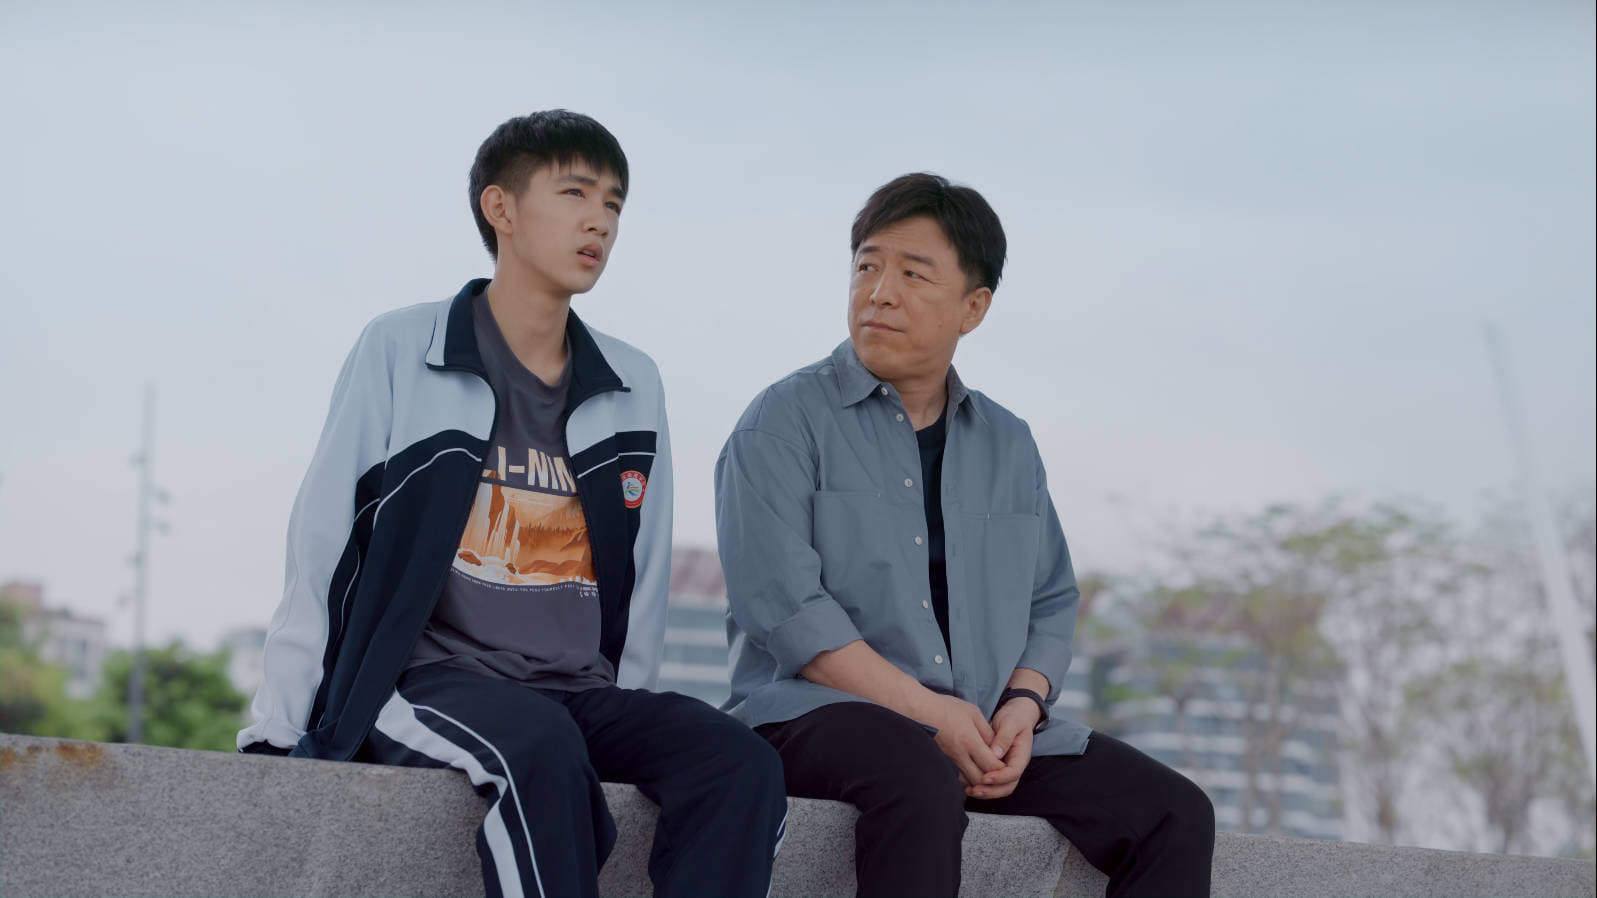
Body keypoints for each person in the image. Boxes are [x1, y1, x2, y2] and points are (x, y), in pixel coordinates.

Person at [239, 110, 786, 898]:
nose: (600, 220)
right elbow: (325, 543)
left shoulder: (631, 382)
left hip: (579, 690)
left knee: (738, 762)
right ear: (500, 208)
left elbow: (641, 573)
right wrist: (279, 725)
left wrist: (627, 711)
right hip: (427, 679)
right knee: (540, 745)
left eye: (614, 203)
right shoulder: (403, 349)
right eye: (574, 193)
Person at [716, 173, 1215, 898]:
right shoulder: (781, 422)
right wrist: (930, 715)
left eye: (912, 274)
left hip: (978, 727)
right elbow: (790, 617)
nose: (879, 292)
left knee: (1174, 813)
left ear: (973, 308)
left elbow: (1051, 599)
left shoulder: (1008, 444)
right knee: (916, 772)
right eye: (866, 266)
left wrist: (1022, 709)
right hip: (813, 715)